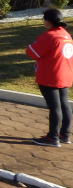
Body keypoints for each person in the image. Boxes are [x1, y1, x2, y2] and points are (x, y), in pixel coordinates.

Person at [27, 9, 73, 147]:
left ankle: (52, 137)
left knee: (54, 107)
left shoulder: (49, 35)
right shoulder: (66, 35)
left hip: (51, 75)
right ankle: (64, 134)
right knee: (64, 104)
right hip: (65, 74)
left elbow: (32, 52)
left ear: (48, 21)